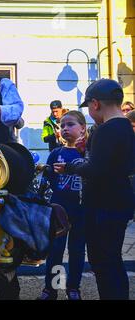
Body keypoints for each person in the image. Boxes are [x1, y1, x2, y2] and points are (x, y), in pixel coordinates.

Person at [54, 79, 135, 300]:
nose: (89, 112)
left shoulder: (105, 129)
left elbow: (95, 169)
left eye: (89, 107)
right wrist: (86, 149)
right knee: (113, 261)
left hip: (102, 208)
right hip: (118, 203)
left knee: (103, 263)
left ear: (95, 104)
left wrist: (69, 166)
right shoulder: (126, 126)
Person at [37, 111, 87, 300]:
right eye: (62, 126)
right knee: (56, 251)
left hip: (82, 211)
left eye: (71, 124)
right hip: (58, 210)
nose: (65, 129)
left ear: (82, 128)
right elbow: (46, 180)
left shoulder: (88, 153)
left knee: (77, 250)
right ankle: (51, 289)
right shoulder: (56, 153)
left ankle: (73, 288)